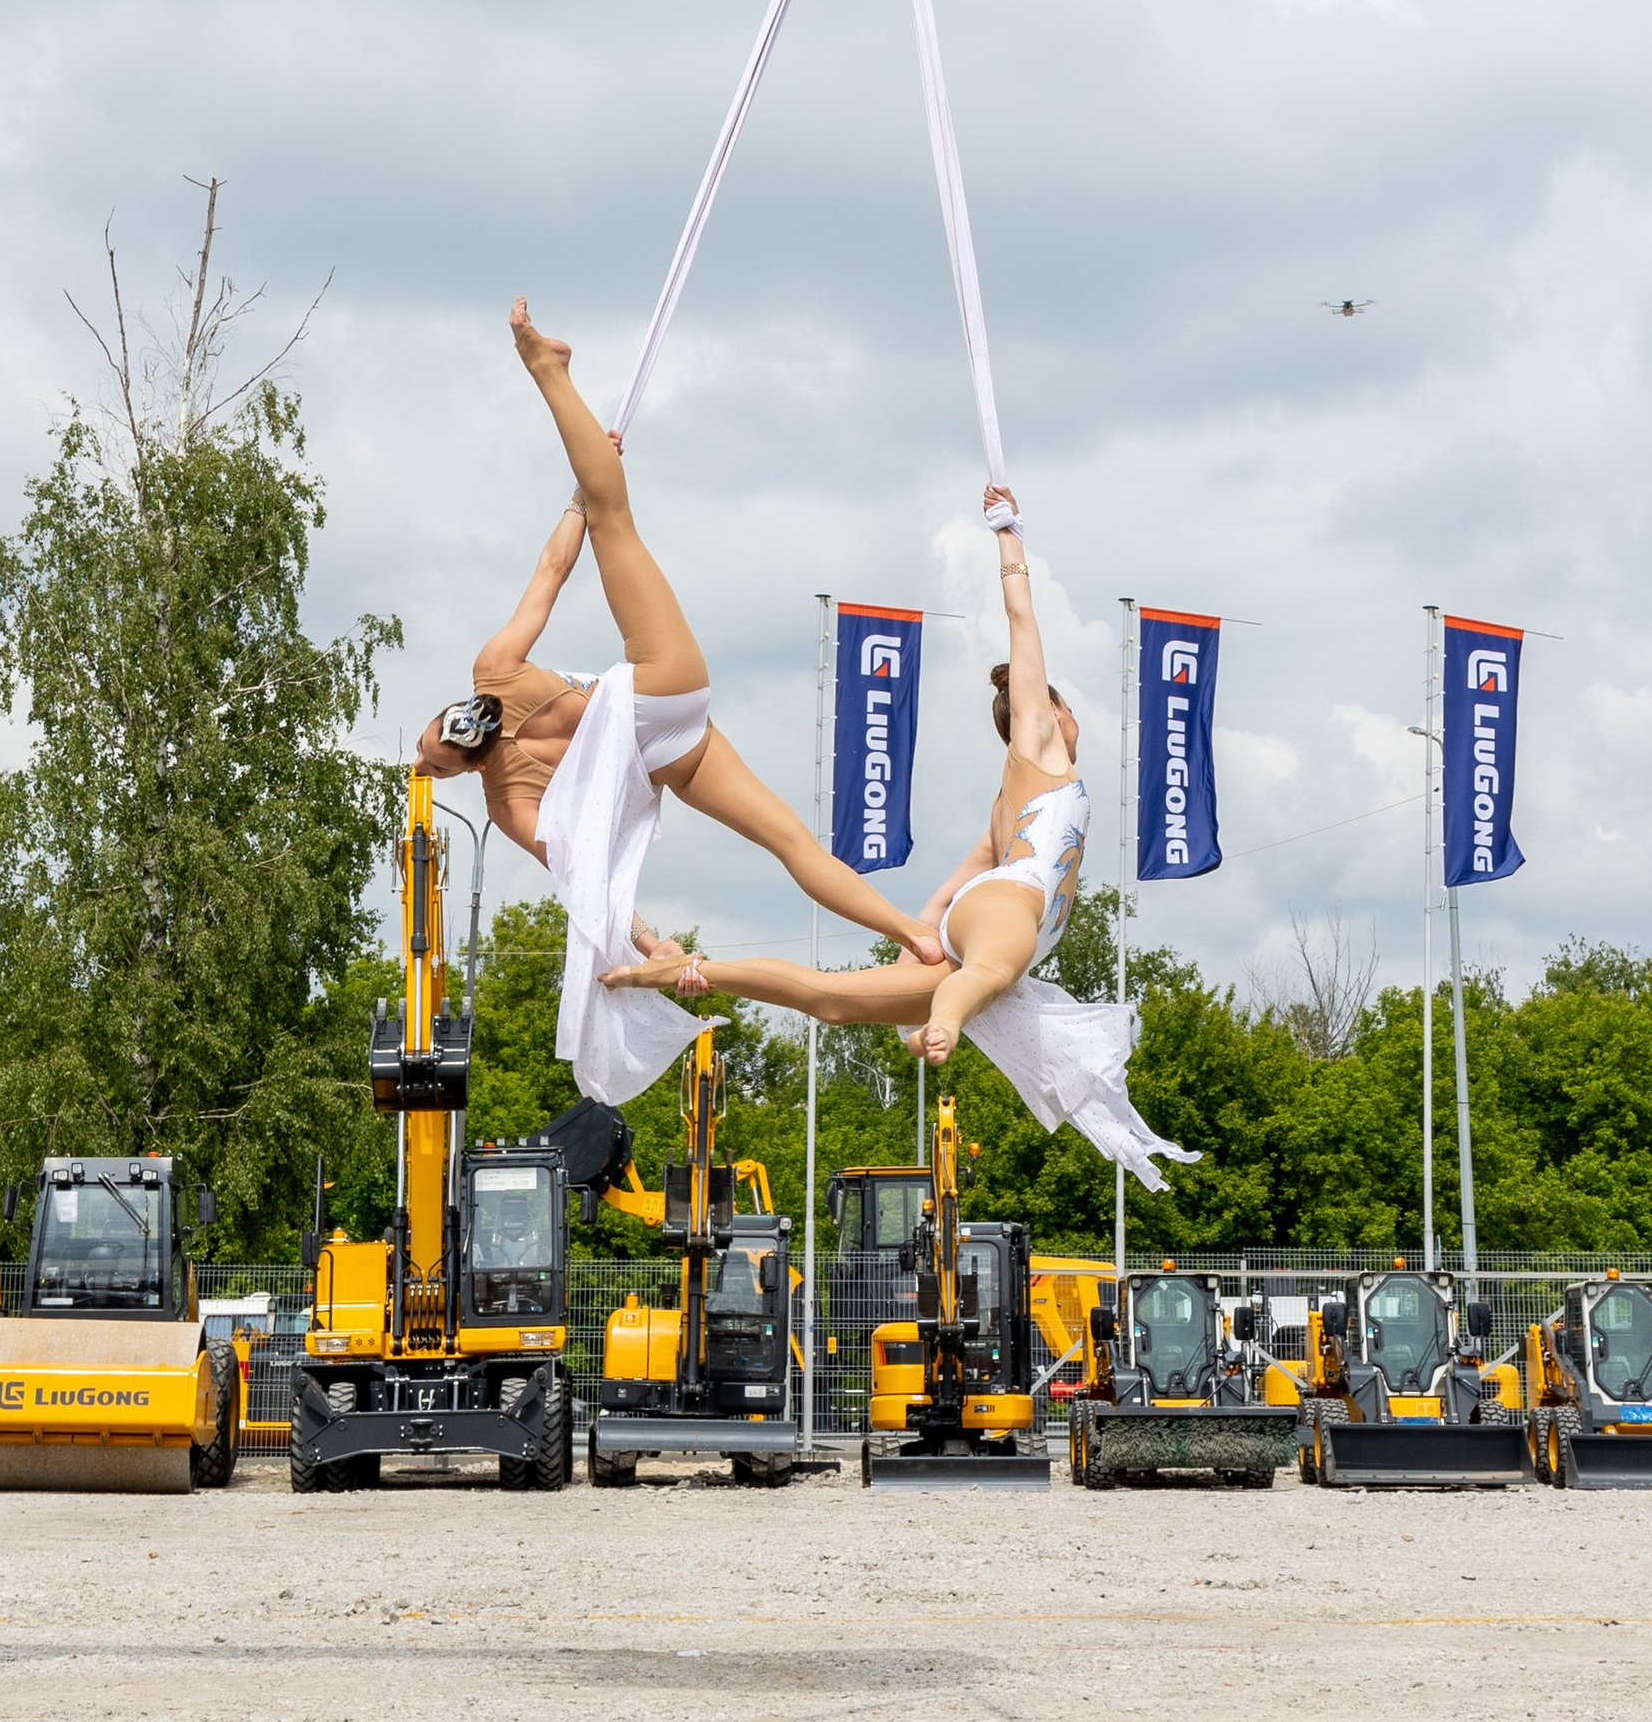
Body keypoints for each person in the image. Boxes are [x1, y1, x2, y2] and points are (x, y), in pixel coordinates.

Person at [417, 305, 948, 1098]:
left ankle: (913, 933)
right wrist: (581, 497)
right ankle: (549, 370)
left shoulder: (501, 754)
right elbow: (551, 574)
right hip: (663, 707)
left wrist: (648, 940)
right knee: (614, 521)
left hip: (663, 745)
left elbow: (585, 874)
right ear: (461, 741)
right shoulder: (500, 720)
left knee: (793, 846)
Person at [604, 487, 1194, 1186]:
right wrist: (1010, 537)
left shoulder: (1010, 796)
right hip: (1010, 914)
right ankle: (942, 1029)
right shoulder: (1041, 743)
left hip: (988, 909)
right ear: (1052, 709)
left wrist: (922, 934)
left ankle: (687, 972)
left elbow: (968, 871)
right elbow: (1022, 623)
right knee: (987, 976)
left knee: (833, 1000)